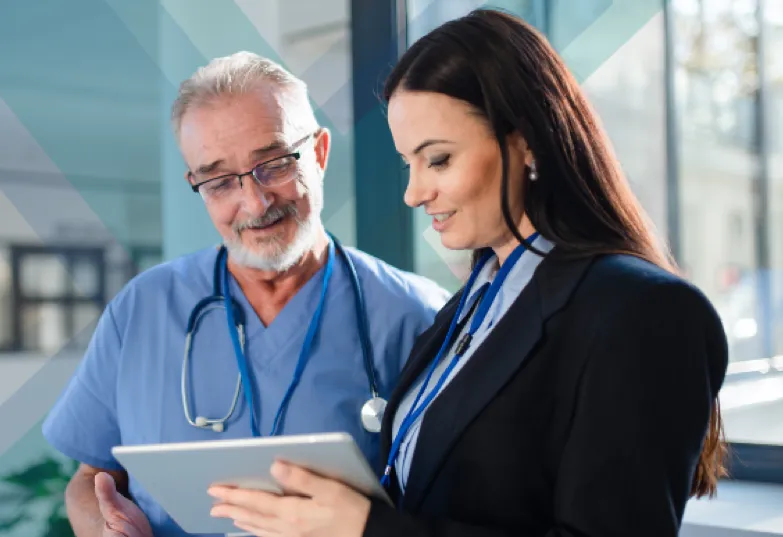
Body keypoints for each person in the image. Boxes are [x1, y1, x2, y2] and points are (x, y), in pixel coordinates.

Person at [205, 9, 730, 537]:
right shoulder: (474, 304)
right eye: (407, 163)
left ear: (526, 141)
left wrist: (367, 529)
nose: (413, 193)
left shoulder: (641, 312)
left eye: (437, 160)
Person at [41, 51, 449, 537]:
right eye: (218, 181)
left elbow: (454, 503)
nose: (254, 203)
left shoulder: (416, 316)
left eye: (273, 164)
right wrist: (102, 525)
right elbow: (91, 478)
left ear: (318, 154)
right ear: (197, 184)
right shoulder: (141, 311)